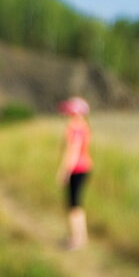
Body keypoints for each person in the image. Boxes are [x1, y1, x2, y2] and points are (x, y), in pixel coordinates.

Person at [56, 96, 92, 250]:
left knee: (72, 206)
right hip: (85, 167)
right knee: (78, 204)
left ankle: (75, 239)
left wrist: (64, 171)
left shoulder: (73, 129)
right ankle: (81, 237)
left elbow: (73, 151)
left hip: (76, 169)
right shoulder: (84, 127)